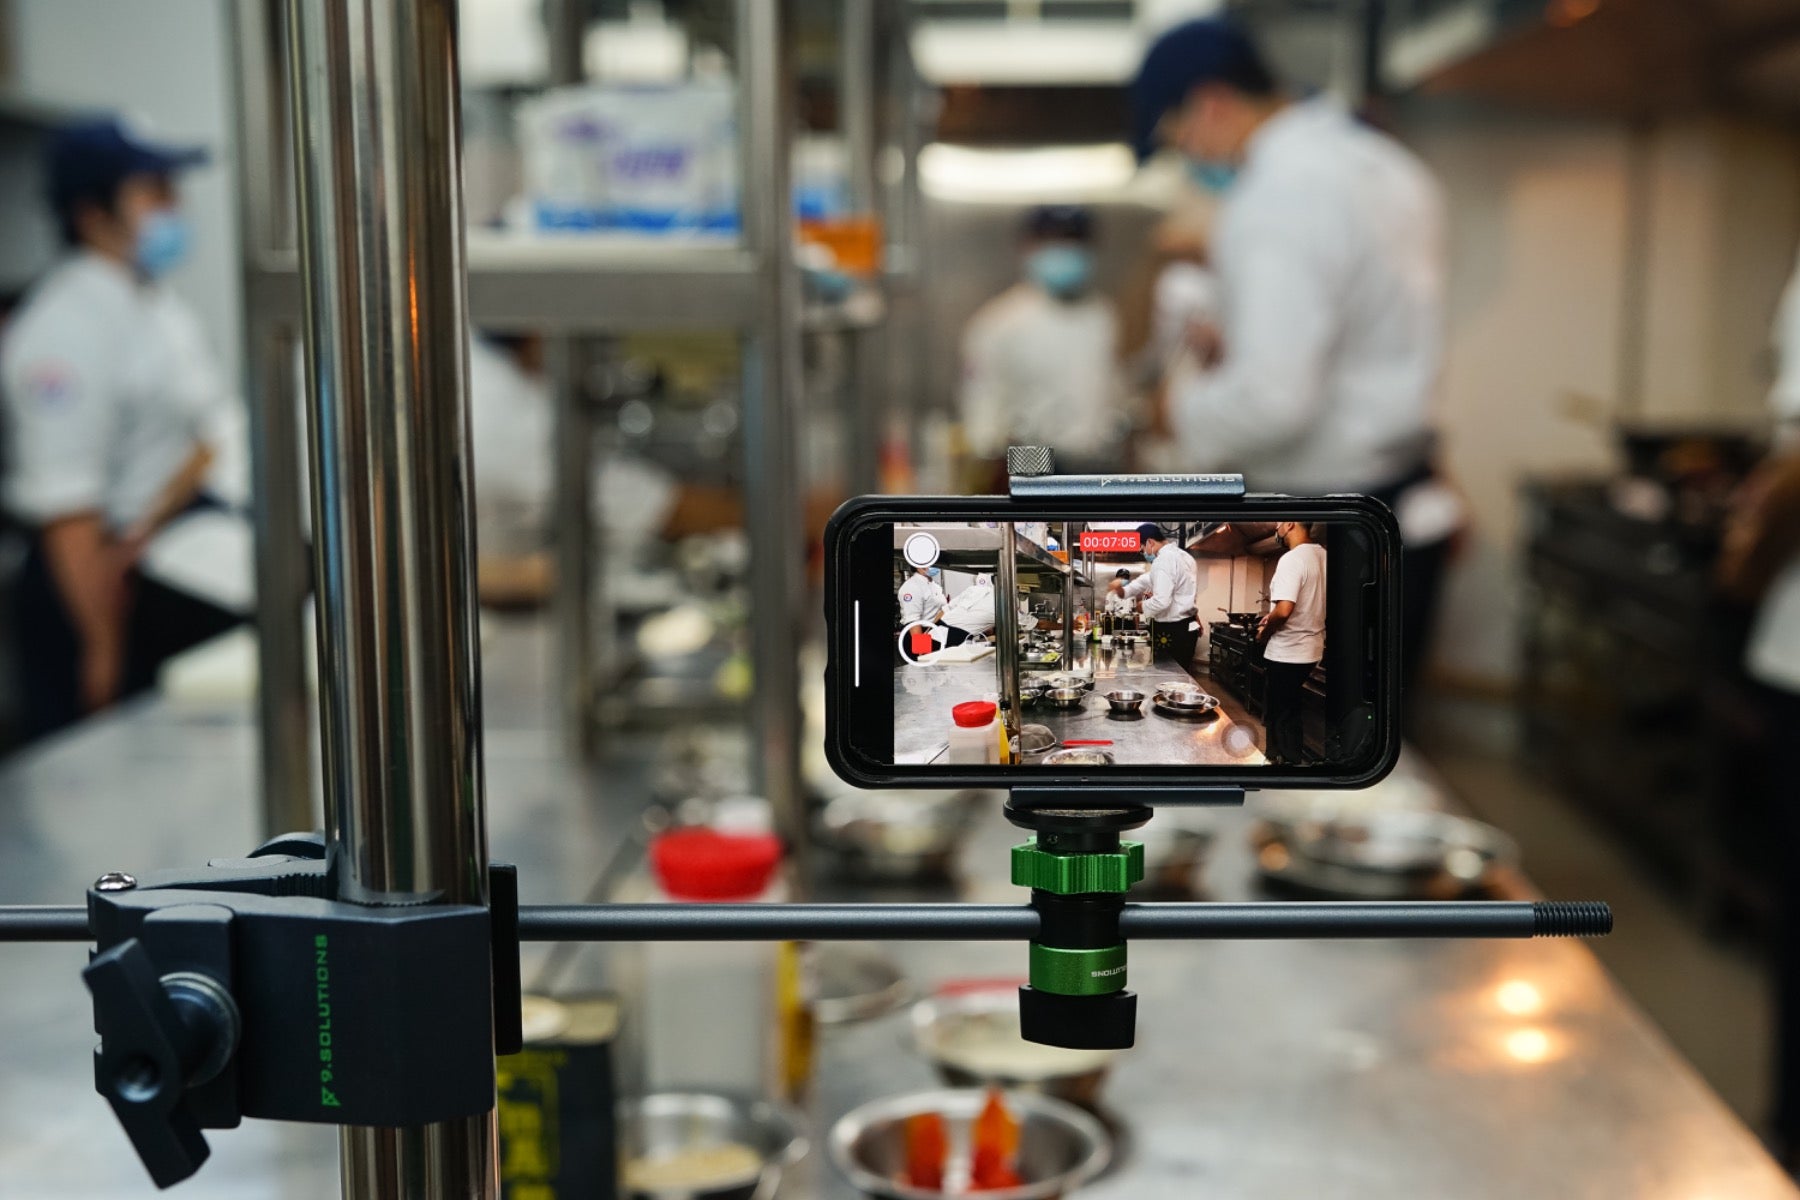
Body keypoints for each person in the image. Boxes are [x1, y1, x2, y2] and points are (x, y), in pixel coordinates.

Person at [1129, 19, 1461, 712]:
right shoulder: (1383, 164)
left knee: (1326, 743)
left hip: (1343, 523)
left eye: (1177, 135)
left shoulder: (1277, 196)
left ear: (1212, 103)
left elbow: (1274, 400)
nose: (1185, 156)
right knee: (1377, 741)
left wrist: (1174, 410)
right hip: (1399, 503)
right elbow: (1364, 337)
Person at [1, 118, 242, 741]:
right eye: (154, 193)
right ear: (92, 213)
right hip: (96, 591)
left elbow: (205, 435)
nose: (174, 209)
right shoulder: (64, 328)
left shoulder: (153, 304)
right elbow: (70, 513)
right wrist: (101, 647)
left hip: (156, 555)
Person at [959, 206, 1127, 484]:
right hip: (1035, 467)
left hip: (1102, 469)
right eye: (1053, 241)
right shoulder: (1000, 323)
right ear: (1027, 247)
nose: (1065, 250)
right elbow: (983, 419)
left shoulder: (1105, 316)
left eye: (1073, 241)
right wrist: (1021, 476)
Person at [1256, 521, 1327, 766]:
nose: (1276, 529)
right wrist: (1271, 615)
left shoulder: (1292, 559)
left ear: (1289, 524)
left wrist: (1265, 631)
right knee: (1290, 708)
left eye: (1278, 524)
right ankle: (1283, 758)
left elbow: (1285, 609)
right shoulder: (1323, 556)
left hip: (1287, 651)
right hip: (1311, 649)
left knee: (1280, 712)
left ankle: (1282, 764)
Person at [1108, 523, 1199, 667]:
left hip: (1172, 630)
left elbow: (1161, 602)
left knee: (1168, 673)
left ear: (1150, 542)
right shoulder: (1184, 557)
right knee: (1182, 673)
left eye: (1142, 548)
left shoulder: (1163, 560)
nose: (1143, 552)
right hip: (1186, 627)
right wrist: (1120, 589)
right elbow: (1140, 584)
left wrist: (1140, 606)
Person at [938, 573, 997, 647]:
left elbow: (945, 610)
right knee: (926, 652)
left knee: (928, 652)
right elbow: (945, 609)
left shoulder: (974, 590)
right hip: (943, 630)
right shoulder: (974, 590)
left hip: (946, 630)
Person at [898, 564, 946, 629]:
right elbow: (913, 623)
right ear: (917, 566)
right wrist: (923, 636)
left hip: (934, 629)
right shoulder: (911, 587)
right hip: (920, 631)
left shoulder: (935, 586)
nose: (933, 565)